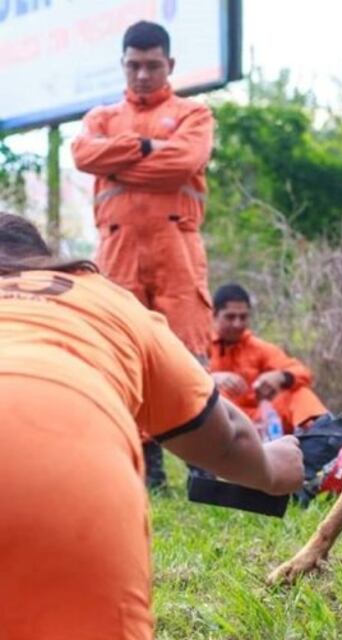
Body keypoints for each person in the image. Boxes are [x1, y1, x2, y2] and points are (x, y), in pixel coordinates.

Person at [0, 213, 304, 640]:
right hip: (73, 465)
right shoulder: (102, 297)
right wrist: (271, 469)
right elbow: (225, 438)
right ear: (41, 259)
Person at [71, 21, 216, 487]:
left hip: (177, 255)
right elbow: (82, 155)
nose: (142, 74)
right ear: (122, 65)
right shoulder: (100, 117)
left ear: (169, 65)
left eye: (152, 65)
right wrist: (147, 147)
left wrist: (120, 164)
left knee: (188, 357)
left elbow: (185, 162)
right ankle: (142, 467)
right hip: (118, 258)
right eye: (133, 65)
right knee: (121, 355)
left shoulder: (194, 114)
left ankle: (205, 464)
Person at [209, 283, 329, 435]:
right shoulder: (199, 346)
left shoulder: (258, 347)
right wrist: (212, 379)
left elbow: (302, 372)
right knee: (211, 398)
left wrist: (280, 377)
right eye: (230, 317)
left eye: (243, 317)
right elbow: (182, 383)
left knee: (299, 393)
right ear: (214, 315)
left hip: (260, 422)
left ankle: (325, 438)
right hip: (219, 426)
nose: (237, 324)